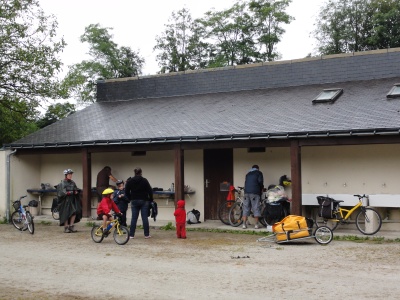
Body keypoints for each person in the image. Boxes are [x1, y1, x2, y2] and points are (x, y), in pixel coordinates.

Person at [125, 167, 153, 239]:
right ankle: (146, 234)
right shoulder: (144, 180)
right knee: (144, 218)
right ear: (141, 172)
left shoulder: (130, 181)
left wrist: (130, 198)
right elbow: (150, 190)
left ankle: (131, 235)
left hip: (134, 200)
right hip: (144, 200)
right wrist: (151, 199)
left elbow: (126, 191)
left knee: (134, 218)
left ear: (134, 172)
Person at [56, 169, 82, 233]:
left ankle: (71, 226)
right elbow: (61, 192)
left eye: (71, 174)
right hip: (65, 201)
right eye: (69, 175)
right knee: (66, 214)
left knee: (74, 213)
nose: (70, 176)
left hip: (72, 200)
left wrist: (76, 191)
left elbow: (75, 189)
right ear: (66, 175)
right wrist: (69, 193)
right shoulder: (62, 183)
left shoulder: (73, 183)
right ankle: (66, 227)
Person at [242, 164, 264, 229]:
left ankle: (244, 225)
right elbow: (260, 182)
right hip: (255, 193)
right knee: (256, 207)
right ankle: (256, 225)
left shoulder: (248, 174)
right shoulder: (259, 173)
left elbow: (246, 183)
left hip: (246, 192)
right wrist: (261, 189)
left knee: (245, 208)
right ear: (258, 168)